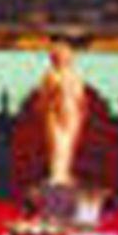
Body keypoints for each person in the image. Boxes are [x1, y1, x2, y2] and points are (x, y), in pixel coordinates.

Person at [36, 37, 87, 183]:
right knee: (56, 145)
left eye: (65, 54)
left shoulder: (75, 75)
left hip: (72, 112)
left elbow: (80, 98)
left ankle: (65, 174)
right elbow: (43, 97)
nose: (62, 57)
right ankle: (56, 176)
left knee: (68, 145)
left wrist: (78, 110)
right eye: (59, 54)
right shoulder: (50, 75)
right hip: (54, 112)